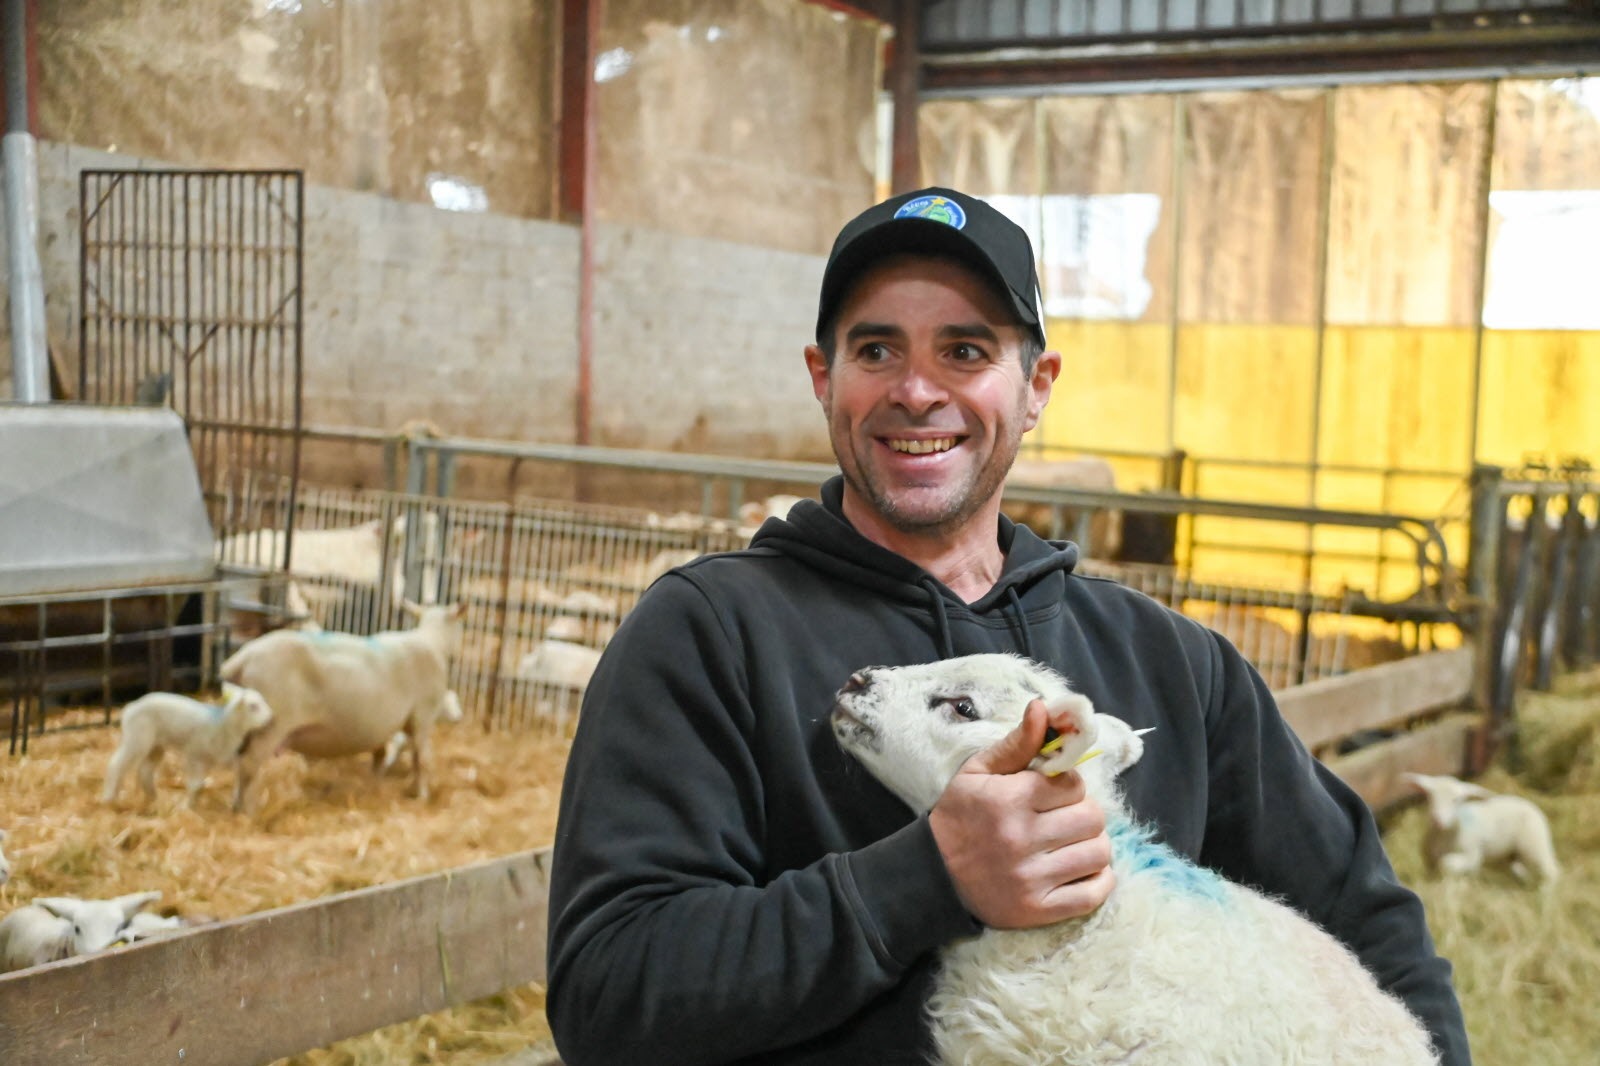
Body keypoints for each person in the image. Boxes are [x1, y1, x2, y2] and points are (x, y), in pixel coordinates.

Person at [545, 187, 1470, 1065]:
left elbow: (1371, 928)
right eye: (876, 351)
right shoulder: (712, 636)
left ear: (1036, 386)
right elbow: (608, 994)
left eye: (965, 350)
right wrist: (926, 879)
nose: (916, 391)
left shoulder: (1173, 666)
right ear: (823, 378)